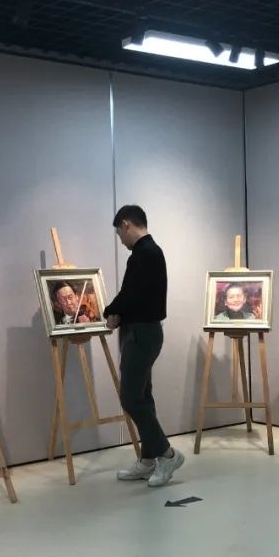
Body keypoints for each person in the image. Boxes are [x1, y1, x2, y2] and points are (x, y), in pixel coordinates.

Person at [104, 204, 185, 487]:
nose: (121, 241)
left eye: (119, 234)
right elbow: (136, 295)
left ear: (126, 224)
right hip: (142, 332)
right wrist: (118, 313)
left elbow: (131, 295)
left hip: (142, 334)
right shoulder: (149, 252)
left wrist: (110, 311)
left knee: (130, 398)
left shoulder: (145, 253)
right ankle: (149, 459)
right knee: (143, 397)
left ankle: (168, 454)